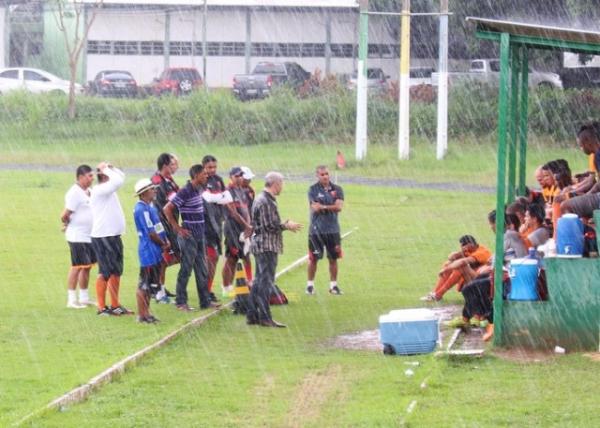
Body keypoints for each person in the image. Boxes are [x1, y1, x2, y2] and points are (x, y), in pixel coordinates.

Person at [246, 172, 302, 328]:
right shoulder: (266, 201)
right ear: (275, 184)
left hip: (261, 244)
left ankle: (252, 315)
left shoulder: (261, 198)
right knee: (265, 282)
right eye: (281, 184)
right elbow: (268, 226)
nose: (282, 187)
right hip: (267, 246)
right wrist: (286, 225)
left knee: (258, 281)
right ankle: (265, 316)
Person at [164, 164, 220, 311]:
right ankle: (181, 302)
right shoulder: (185, 191)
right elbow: (167, 209)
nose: (206, 176)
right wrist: (178, 228)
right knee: (186, 269)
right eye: (203, 174)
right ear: (196, 176)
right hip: (189, 236)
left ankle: (205, 301)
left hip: (200, 235)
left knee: (202, 269)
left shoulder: (198, 190)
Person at [90, 162, 132, 316]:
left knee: (116, 271)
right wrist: (106, 169)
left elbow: (121, 176)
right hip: (103, 236)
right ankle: (101, 307)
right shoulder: (100, 190)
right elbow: (118, 180)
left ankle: (115, 305)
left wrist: (110, 167)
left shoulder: (108, 189)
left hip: (113, 236)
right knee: (105, 272)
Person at [133, 178, 171, 323]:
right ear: (143, 193)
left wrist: (165, 241)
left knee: (150, 285)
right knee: (144, 284)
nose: (155, 191)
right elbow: (151, 233)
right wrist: (163, 244)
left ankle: (146, 313)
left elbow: (158, 227)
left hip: (155, 250)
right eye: (151, 189)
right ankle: (142, 315)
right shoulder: (141, 209)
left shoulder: (151, 207)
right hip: (149, 251)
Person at [61, 164, 96, 309]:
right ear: (80, 177)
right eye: (89, 176)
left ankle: (84, 297)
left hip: (89, 235)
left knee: (87, 267)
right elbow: (64, 214)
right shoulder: (74, 193)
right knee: (77, 266)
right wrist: (66, 223)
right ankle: (71, 299)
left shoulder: (89, 191)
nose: (92, 179)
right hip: (77, 236)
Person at [306, 165, 345, 295]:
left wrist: (322, 206)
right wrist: (330, 206)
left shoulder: (337, 189)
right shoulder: (312, 189)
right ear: (317, 176)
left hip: (333, 230)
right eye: (322, 174)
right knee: (314, 258)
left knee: (333, 258)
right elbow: (314, 207)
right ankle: (310, 285)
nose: (325, 176)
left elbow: (339, 207)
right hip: (316, 231)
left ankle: (333, 286)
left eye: (327, 174)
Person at [420, 235, 492, 302]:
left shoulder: (482, 252)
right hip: (474, 279)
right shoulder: (469, 250)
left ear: (471, 244)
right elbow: (450, 257)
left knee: (461, 267)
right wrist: (460, 253)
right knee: (448, 264)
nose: (462, 247)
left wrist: (446, 269)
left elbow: (463, 262)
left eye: (464, 245)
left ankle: (438, 295)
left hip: (483, 281)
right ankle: (435, 293)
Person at [151, 152, 180, 303]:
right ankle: (157, 290)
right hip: (163, 224)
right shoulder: (158, 181)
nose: (176, 167)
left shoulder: (169, 180)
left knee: (173, 257)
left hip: (170, 223)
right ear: (164, 166)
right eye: (173, 164)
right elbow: (174, 199)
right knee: (165, 258)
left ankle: (157, 286)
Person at [222, 167, 253, 296]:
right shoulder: (228, 191)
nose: (239, 178)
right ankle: (226, 287)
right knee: (231, 258)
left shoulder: (243, 191)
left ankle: (249, 281)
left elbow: (246, 210)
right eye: (236, 176)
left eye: (241, 176)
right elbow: (233, 213)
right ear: (231, 177)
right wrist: (247, 226)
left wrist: (249, 226)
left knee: (246, 255)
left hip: (244, 229)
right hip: (232, 229)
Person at [201, 155, 227, 302]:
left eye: (214, 167)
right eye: (210, 167)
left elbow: (226, 198)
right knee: (208, 258)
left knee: (215, 258)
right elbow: (209, 199)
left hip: (217, 225)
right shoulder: (201, 181)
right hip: (205, 226)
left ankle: (208, 289)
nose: (212, 170)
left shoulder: (218, 180)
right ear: (203, 166)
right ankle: (204, 291)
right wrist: (219, 198)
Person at [560, 123, 600, 219]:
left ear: (588, 142)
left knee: (566, 206)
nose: (581, 149)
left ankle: (563, 234)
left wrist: (587, 194)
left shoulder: (598, 155)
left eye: (581, 146)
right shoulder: (596, 155)